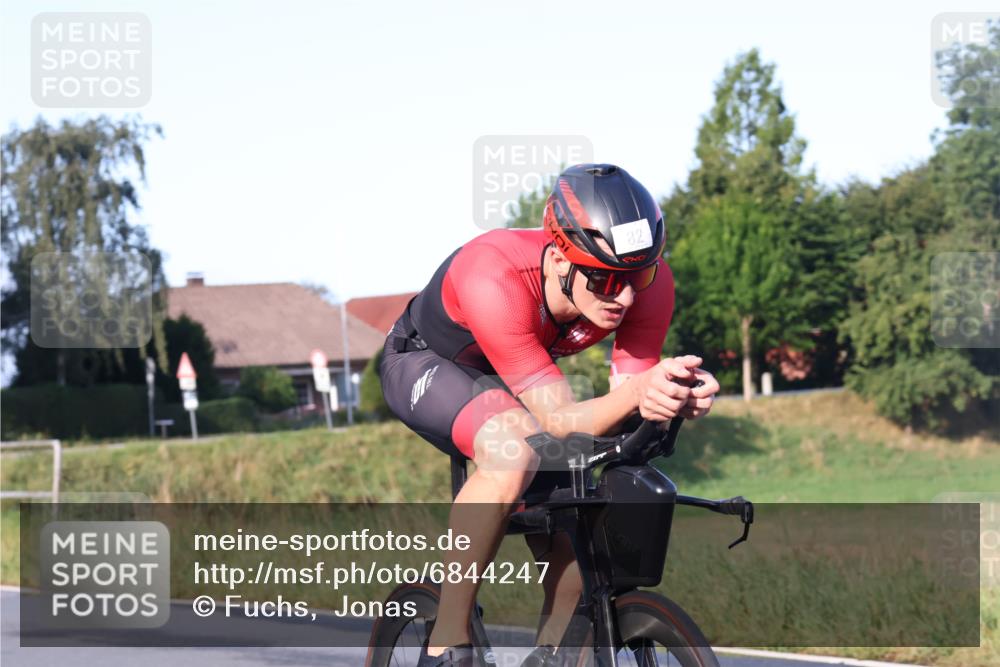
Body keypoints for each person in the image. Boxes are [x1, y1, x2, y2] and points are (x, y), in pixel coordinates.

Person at [380, 163, 719, 667]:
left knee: (582, 518)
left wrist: (671, 399)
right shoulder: (492, 273)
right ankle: (445, 642)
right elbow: (559, 419)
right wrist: (639, 396)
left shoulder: (644, 282)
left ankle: (554, 655)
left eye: (637, 275)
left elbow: (627, 399)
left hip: (519, 378)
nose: (625, 296)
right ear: (561, 258)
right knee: (513, 450)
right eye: (605, 279)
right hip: (427, 362)